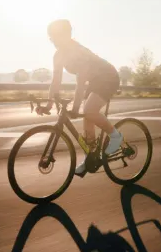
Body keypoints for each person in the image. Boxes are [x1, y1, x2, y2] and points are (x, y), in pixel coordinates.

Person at [36, 19, 123, 177]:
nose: (53, 40)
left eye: (55, 36)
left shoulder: (79, 52)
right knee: (87, 116)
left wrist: (75, 108)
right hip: (95, 80)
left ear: (67, 35)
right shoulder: (58, 56)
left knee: (88, 110)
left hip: (108, 77)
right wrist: (49, 105)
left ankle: (115, 137)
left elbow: (81, 82)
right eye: (51, 38)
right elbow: (55, 81)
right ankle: (91, 156)